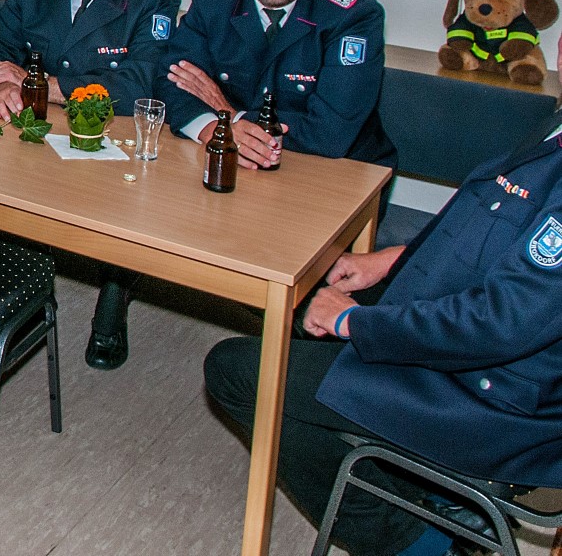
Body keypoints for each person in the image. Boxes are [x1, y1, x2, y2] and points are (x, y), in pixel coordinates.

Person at [205, 92, 562, 556]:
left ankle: (420, 543)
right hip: (471, 344)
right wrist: (390, 261)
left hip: (491, 398)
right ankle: (435, 497)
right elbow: (489, 227)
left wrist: (352, 321)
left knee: (238, 370)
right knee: (288, 287)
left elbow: (499, 322)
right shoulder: (554, 125)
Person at [0, 0, 181, 371]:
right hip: (32, 130)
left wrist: (44, 85)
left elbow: (141, 84)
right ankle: (7, 284)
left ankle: (114, 294)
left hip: (108, 139)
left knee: (122, 201)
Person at [164, 0, 396, 173]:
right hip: (237, 159)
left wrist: (230, 117)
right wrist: (211, 128)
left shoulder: (351, 16)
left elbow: (330, 134)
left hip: (336, 171)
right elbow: (173, 79)